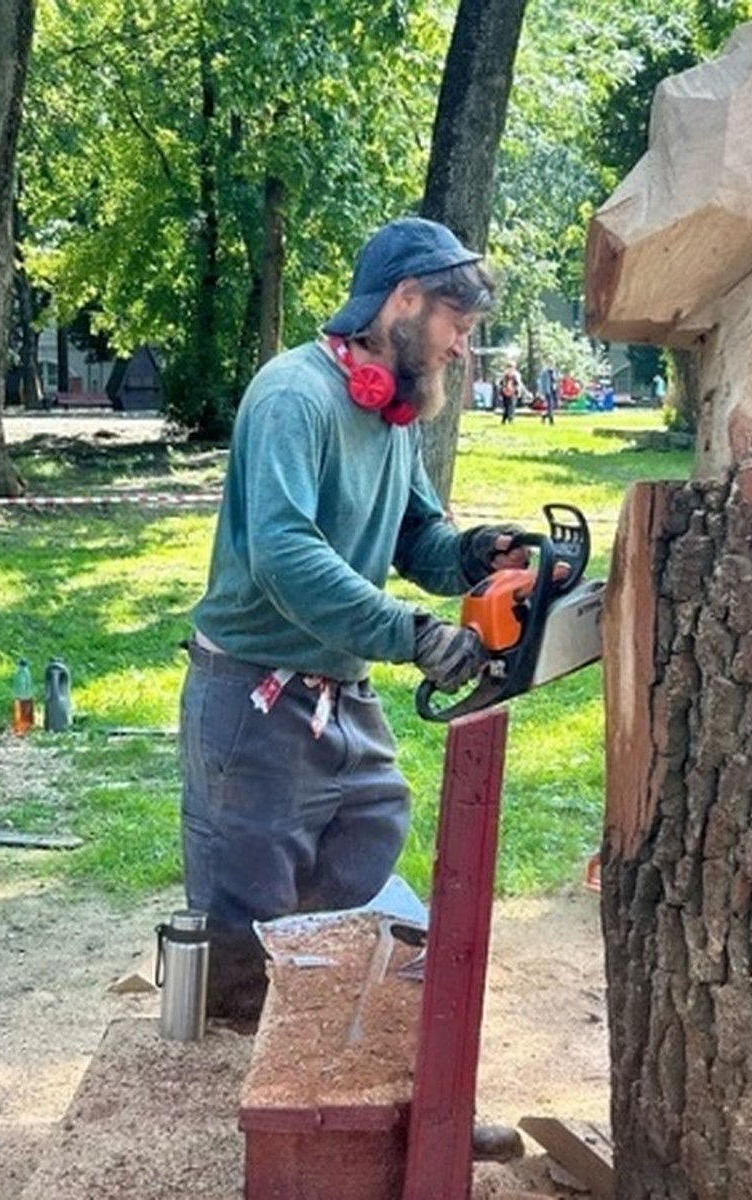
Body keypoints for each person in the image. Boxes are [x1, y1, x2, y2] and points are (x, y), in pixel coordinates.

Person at [180, 217, 529, 1029]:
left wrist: (476, 554)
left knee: (363, 885)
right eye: (456, 326)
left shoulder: (390, 414)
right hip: (254, 700)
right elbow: (285, 555)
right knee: (248, 934)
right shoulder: (293, 396)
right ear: (403, 300)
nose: (460, 351)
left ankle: (354, 1102)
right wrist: (412, 633)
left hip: (341, 692)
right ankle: (241, 1119)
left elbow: (415, 540)